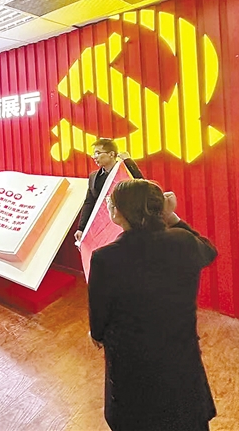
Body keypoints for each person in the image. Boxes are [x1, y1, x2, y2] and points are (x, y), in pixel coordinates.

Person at [88, 179, 217, 431]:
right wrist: (172, 217)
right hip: (180, 354)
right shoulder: (183, 241)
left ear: (120, 213)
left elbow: (99, 314)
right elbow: (209, 251)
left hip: (131, 362)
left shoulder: (105, 257)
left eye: (112, 203)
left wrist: (97, 334)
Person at [74, 138, 143, 245]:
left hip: (126, 224)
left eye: (98, 153)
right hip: (103, 227)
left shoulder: (125, 171)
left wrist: (129, 162)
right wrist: (81, 228)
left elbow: (142, 185)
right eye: (94, 154)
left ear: (111, 154)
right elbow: (89, 202)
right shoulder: (94, 177)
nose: (95, 157)